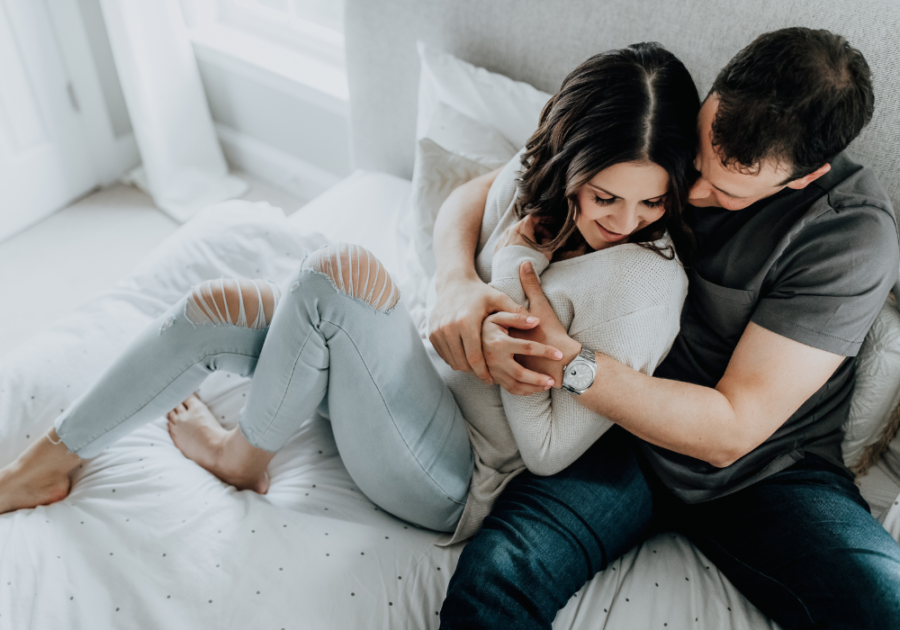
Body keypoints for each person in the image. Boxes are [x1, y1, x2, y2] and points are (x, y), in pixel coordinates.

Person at [0, 43, 698, 550]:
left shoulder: (643, 284)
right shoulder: (545, 178)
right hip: (402, 382)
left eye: (651, 202)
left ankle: (242, 458)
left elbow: (548, 454)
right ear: (568, 154)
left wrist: (512, 334)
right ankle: (40, 465)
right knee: (222, 305)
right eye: (605, 196)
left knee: (337, 275)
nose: (624, 220)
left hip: (452, 471)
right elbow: (467, 196)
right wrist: (456, 281)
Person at [433, 28, 900, 630]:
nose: (693, 194)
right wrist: (453, 282)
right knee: (494, 580)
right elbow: (491, 187)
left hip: (764, 470)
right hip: (614, 435)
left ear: (803, 179)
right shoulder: (673, 123)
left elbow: (731, 431)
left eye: (725, 191)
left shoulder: (849, 238)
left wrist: (569, 361)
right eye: (695, 165)